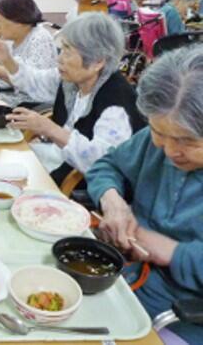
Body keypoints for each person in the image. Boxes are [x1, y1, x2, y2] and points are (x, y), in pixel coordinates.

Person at [85, 46, 203, 343]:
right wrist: (112, 200)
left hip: (182, 314)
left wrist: (174, 252)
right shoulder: (161, 135)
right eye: (158, 132)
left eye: (187, 141)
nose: (169, 150)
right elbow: (107, 165)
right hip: (125, 279)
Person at [0, 12, 146, 185]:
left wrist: (49, 129)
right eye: (61, 49)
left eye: (68, 52)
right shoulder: (73, 79)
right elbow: (37, 81)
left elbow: (103, 161)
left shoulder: (116, 103)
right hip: (59, 157)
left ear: (97, 62)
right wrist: (7, 59)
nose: (59, 59)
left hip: (85, 180)